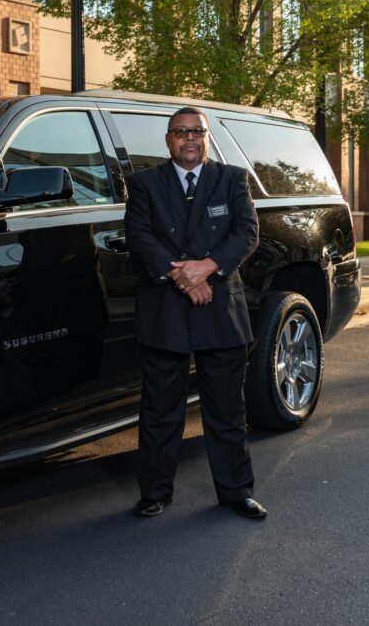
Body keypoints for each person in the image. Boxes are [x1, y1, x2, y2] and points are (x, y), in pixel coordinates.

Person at [123, 106, 267, 519]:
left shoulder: (232, 179)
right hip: (166, 309)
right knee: (159, 411)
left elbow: (247, 232)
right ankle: (154, 492)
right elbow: (140, 237)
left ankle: (237, 492)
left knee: (226, 410)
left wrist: (206, 268)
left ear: (206, 137)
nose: (190, 138)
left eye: (197, 131)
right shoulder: (145, 184)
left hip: (219, 307)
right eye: (181, 132)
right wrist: (186, 279)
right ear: (168, 140)